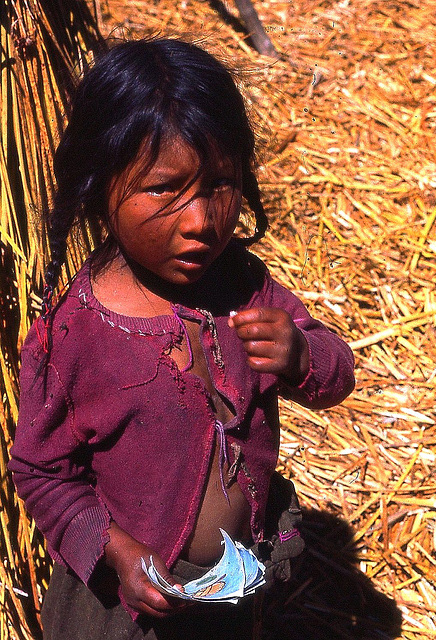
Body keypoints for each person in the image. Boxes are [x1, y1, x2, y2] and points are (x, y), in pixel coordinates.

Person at [8, 38, 355, 640]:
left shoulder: (246, 287)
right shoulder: (75, 333)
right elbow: (41, 472)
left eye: (220, 183)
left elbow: (337, 373)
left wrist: (302, 356)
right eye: (165, 189)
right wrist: (113, 548)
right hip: (123, 611)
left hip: (232, 589)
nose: (200, 221)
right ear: (99, 186)